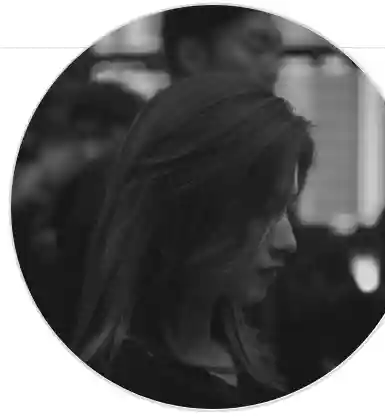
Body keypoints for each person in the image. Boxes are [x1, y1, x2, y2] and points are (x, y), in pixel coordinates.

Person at [72, 73, 314, 409]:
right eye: (263, 209)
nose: (288, 242)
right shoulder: (128, 383)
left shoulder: (265, 357)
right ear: (185, 205)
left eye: (286, 208)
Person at [50, 5, 285, 343]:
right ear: (192, 55)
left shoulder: (260, 169)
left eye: (278, 53)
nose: (273, 69)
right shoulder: (122, 179)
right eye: (256, 47)